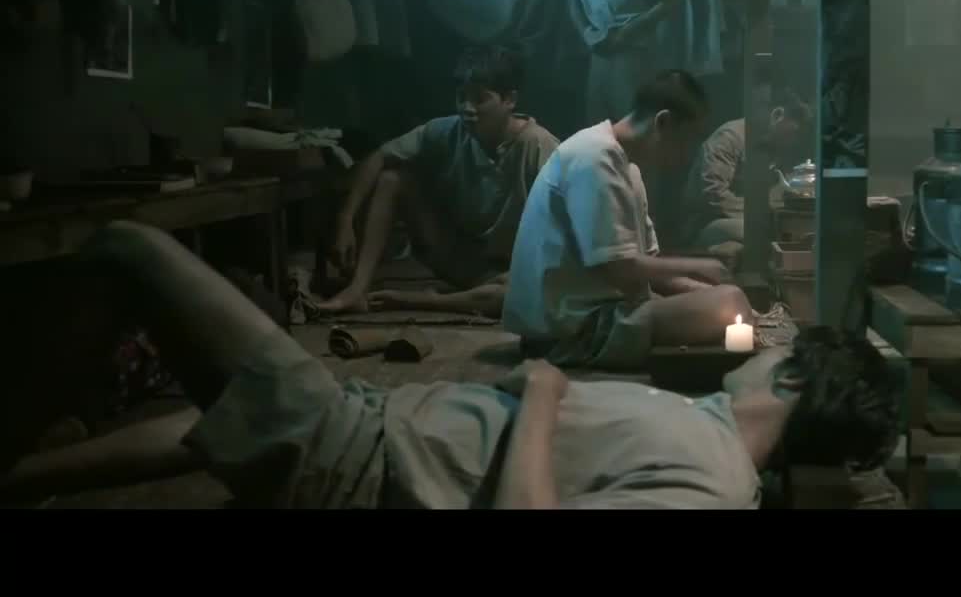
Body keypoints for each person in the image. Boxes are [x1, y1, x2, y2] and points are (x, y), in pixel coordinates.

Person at [0, 221, 900, 509]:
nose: (765, 344)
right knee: (219, 415)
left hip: (357, 454)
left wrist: (542, 396)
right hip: (373, 421)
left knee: (127, 248)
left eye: (781, 351)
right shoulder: (710, 431)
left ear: (791, 381)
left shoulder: (713, 489)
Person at [503, 70, 755, 371]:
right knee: (729, 303)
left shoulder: (627, 167)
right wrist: (699, 267)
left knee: (726, 300)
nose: (685, 156)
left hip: (606, 314)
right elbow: (618, 268)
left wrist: (698, 290)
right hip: (571, 332)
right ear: (663, 122)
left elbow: (646, 269)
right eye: (686, 142)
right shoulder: (594, 156)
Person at [318, 45, 560, 318]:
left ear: (509, 100)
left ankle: (422, 301)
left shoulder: (537, 145)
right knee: (392, 180)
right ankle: (356, 289)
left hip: (514, 269)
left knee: (523, 295)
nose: (467, 109)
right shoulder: (447, 130)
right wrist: (345, 219)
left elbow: (566, 221)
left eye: (480, 99)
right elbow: (379, 157)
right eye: (461, 97)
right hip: (461, 261)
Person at [677, 83, 813, 269]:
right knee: (766, 233)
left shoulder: (772, 148)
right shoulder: (729, 138)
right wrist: (761, 213)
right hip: (707, 222)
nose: (794, 141)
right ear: (777, 115)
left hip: (745, 220)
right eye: (794, 132)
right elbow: (713, 195)